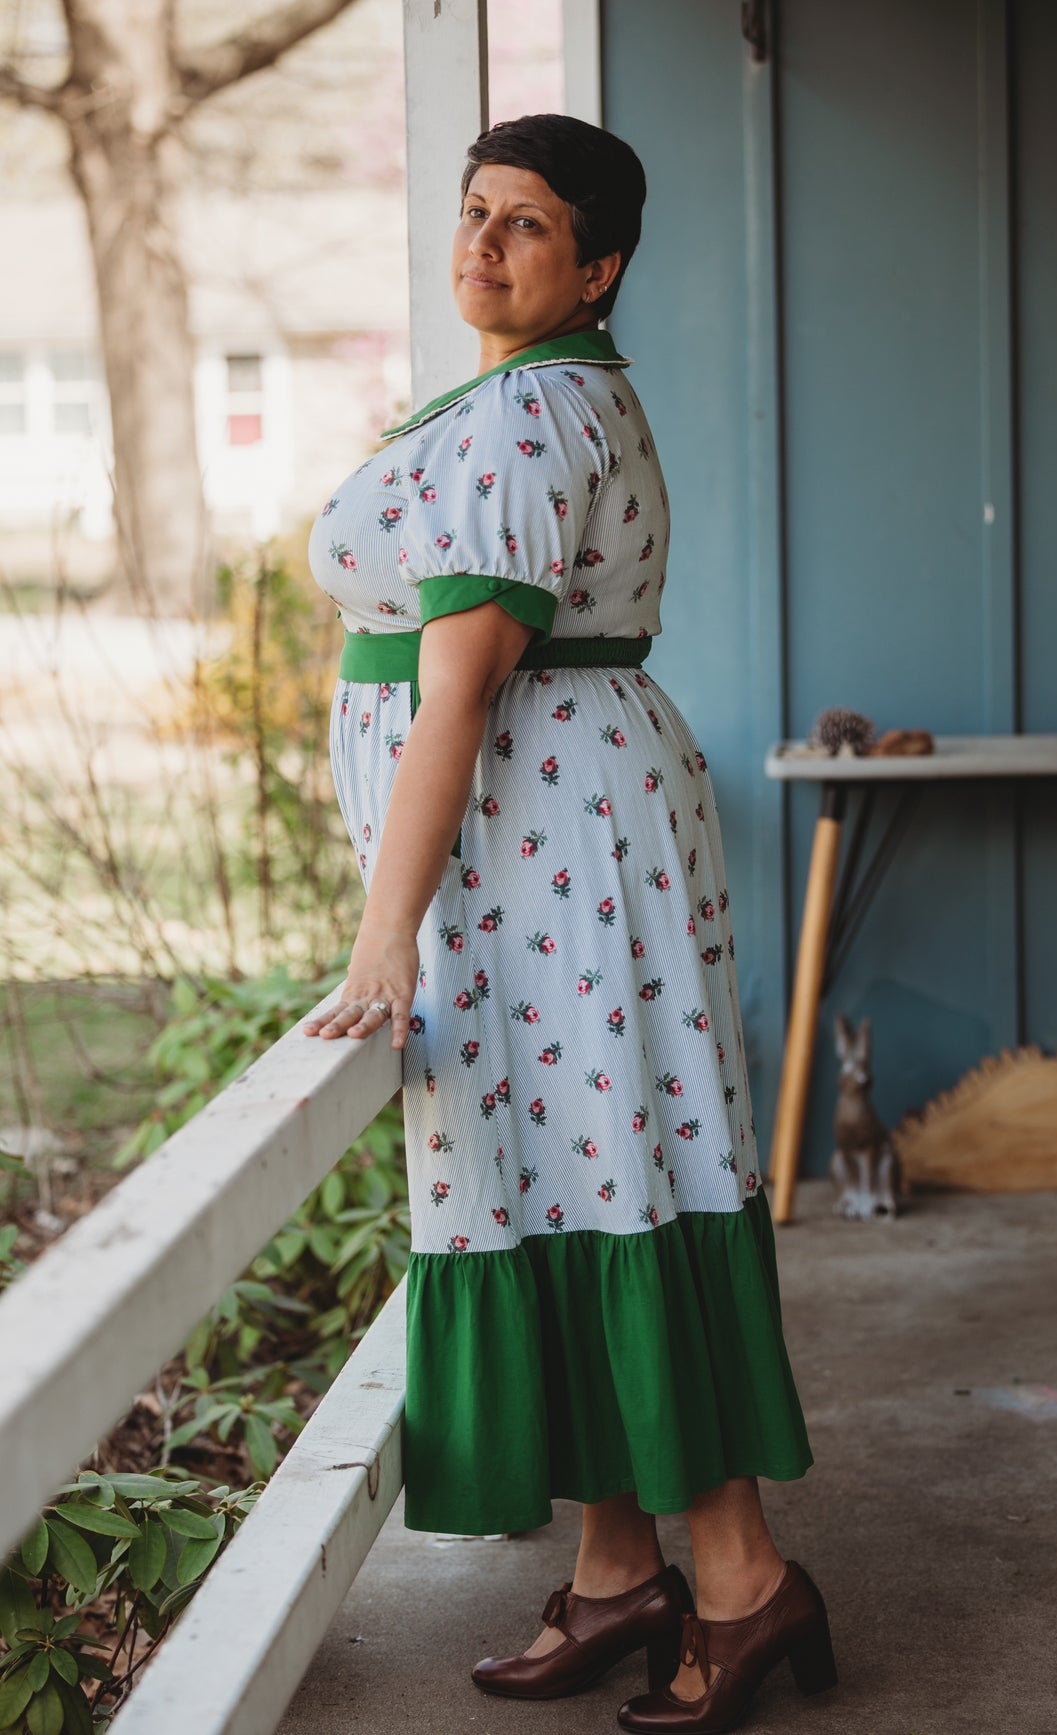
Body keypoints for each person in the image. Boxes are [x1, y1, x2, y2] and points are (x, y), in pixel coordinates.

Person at [304, 112, 836, 1733]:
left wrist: (386, 935)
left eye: (525, 226)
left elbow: (457, 692)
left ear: (597, 268)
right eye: (474, 213)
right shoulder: (531, 391)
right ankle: (620, 1574)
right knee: (574, 1173)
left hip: (547, 857)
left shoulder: (532, 417)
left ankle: (742, 1581)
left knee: (618, 1175)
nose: (482, 245)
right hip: (553, 846)